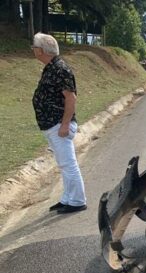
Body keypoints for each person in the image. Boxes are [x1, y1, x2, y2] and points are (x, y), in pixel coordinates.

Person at [31, 33, 87, 213]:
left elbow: (70, 98)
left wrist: (65, 124)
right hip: (52, 124)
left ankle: (78, 201)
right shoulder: (51, 67)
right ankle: (67, 199)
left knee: (68, 164)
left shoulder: (60, 68)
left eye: (34, 46)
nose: (32, 49)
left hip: (59, 125)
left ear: (41, 50)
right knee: (63, 165)